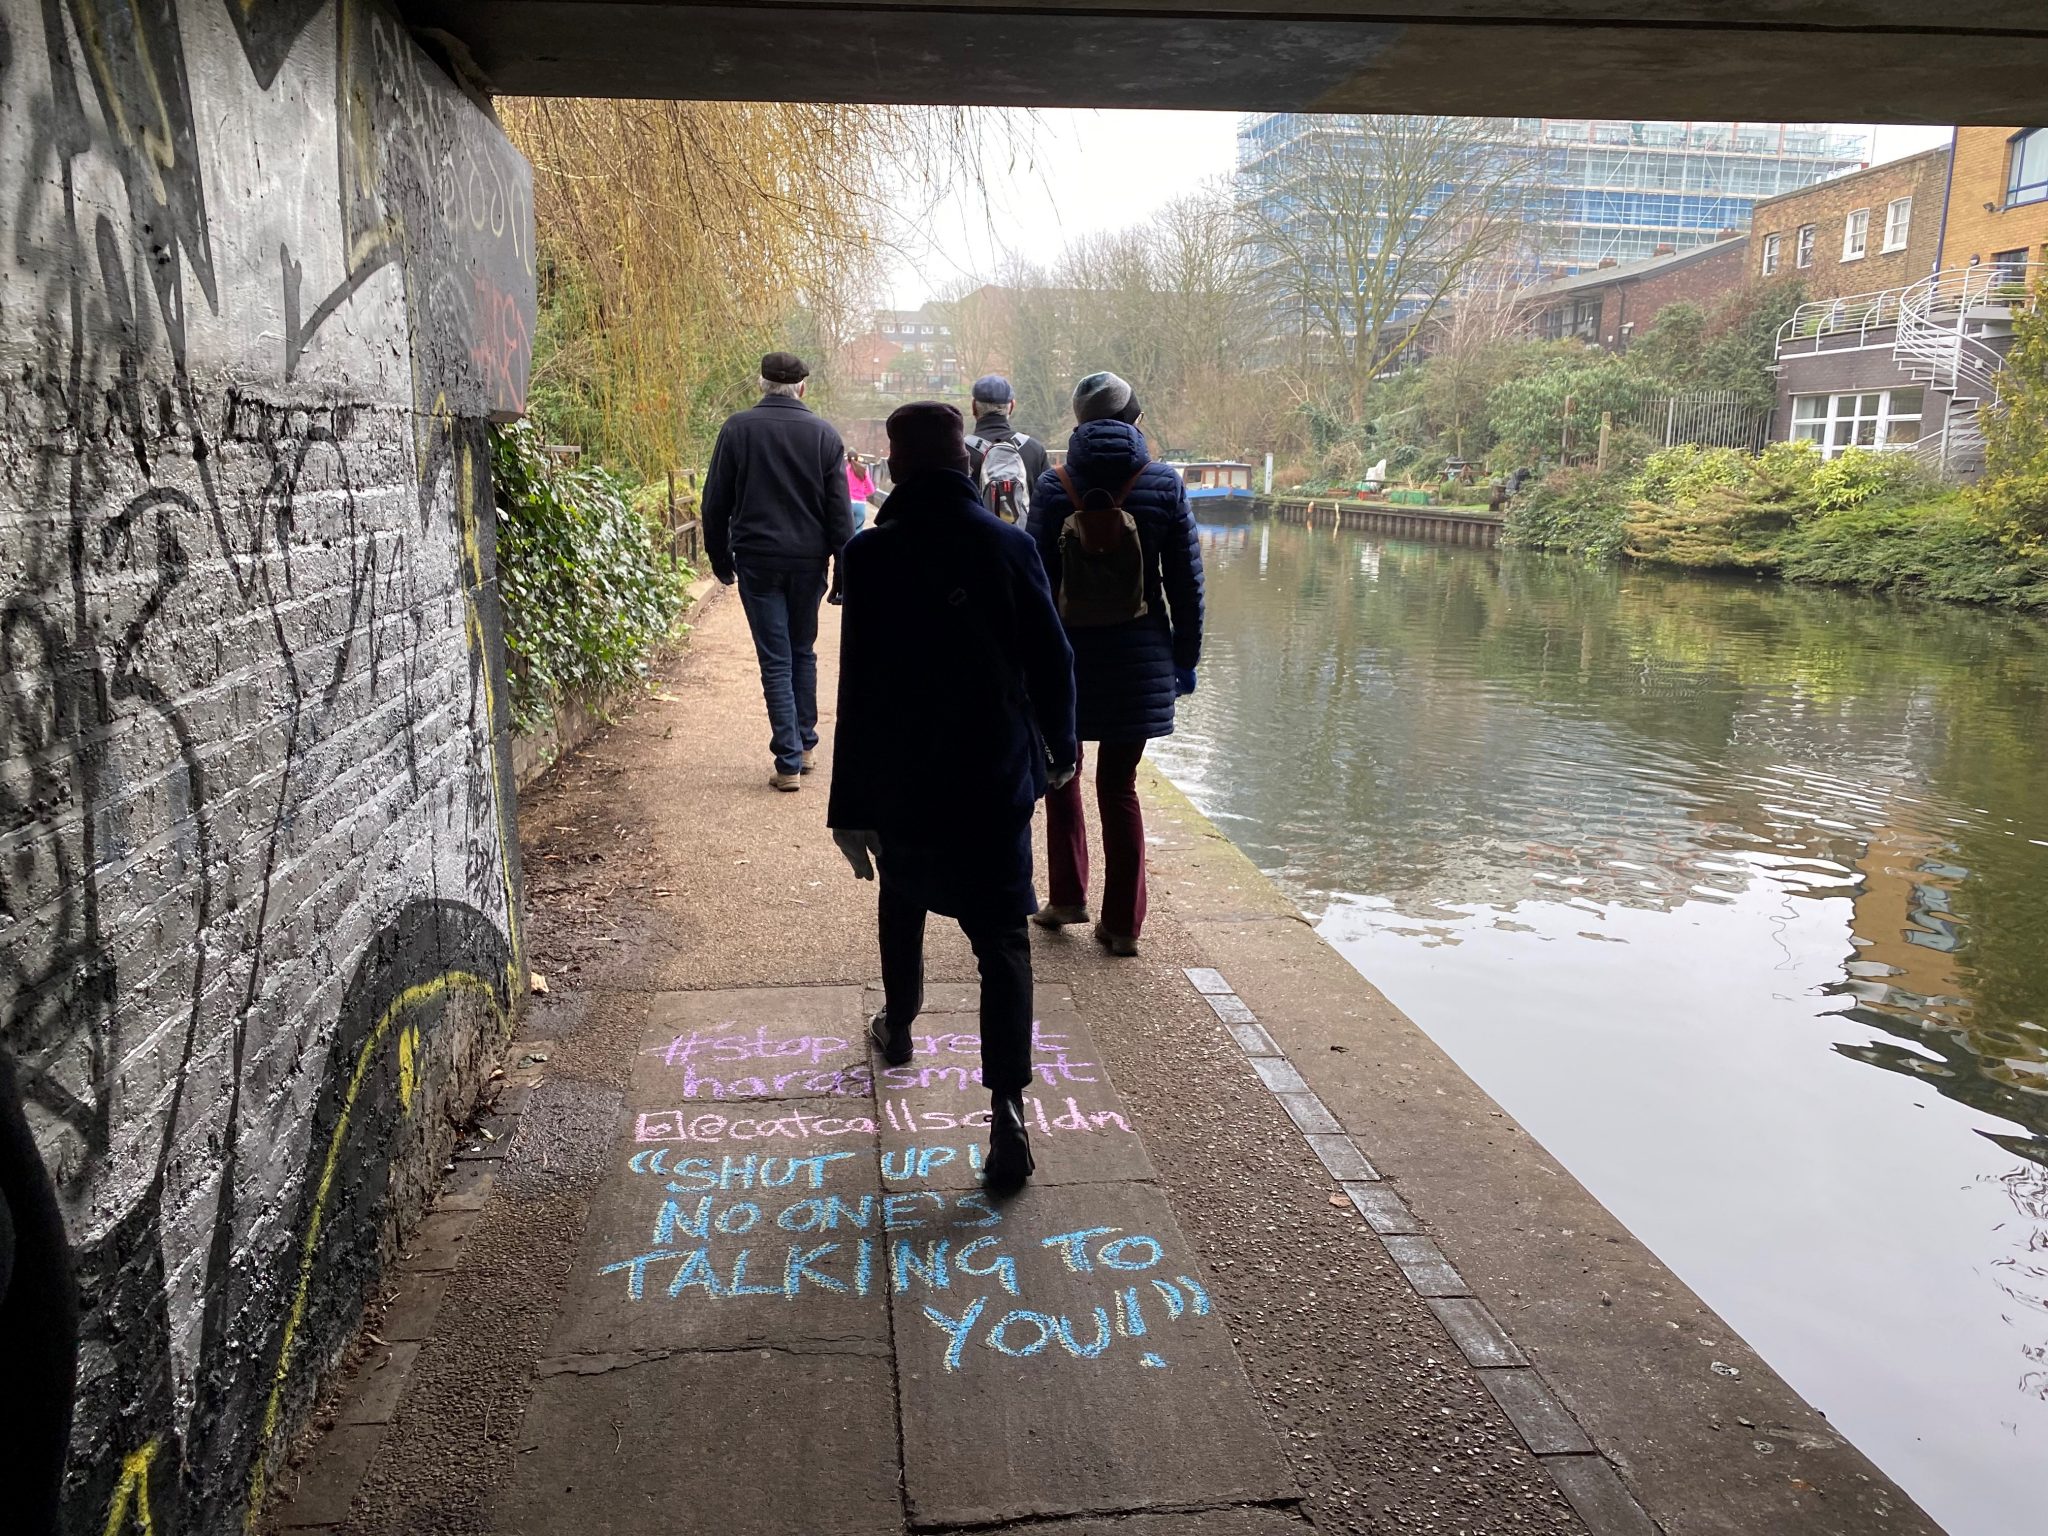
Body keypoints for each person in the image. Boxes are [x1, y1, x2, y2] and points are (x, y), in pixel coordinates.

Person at [828, 402, 1077, 1192]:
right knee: (1001, 940)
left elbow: (857, 690)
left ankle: (899, 1026)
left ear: (896, 467)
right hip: (992, 774)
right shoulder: (1008, 545)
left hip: (906, 778)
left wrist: (851, 808)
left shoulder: (867, 558)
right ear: (966, 463)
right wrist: (1061, 752)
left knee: (903, 899)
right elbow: (1053, 658)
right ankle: (1006, 1113)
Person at [1026, 371, 1203, 957]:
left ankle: (1068, 897)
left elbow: (1034, 588)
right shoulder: (1164, 484)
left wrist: (1029, 665)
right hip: (1140, 657)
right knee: (1120, 787)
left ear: (1078, 423)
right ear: (1135, 420)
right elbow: (1185, 583)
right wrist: (1184, 658)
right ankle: (1123, 926)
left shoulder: (1055, 486)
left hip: (1067, 660)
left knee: (1062, 776)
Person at [701, 352, 853, 791]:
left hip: (758, 559)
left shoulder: (737, 430)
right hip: (809, 561)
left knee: (775, 657)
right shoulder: (825, 435)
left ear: (761, 383)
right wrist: (842, 572)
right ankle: (803, 746)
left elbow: (716, 503)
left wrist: (719, 559)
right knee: (802, 650)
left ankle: (788, 760)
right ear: (803, 387)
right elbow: (839, 514)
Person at [965, 374, 1050, 520]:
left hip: (975, 541)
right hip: (1024, 540)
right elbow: (1047, 504)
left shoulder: (960, 451)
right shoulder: (1035, 449)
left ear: (974, 407)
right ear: (1012, 406)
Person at [846, 452, 878, 530]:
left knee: (847, 530)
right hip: (860, 504)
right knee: (858, 530)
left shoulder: (845, 471)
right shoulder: (863, 471)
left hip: (848, 503)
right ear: (857, 459)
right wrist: (863, 493)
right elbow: (871, 489)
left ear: (848, 460)